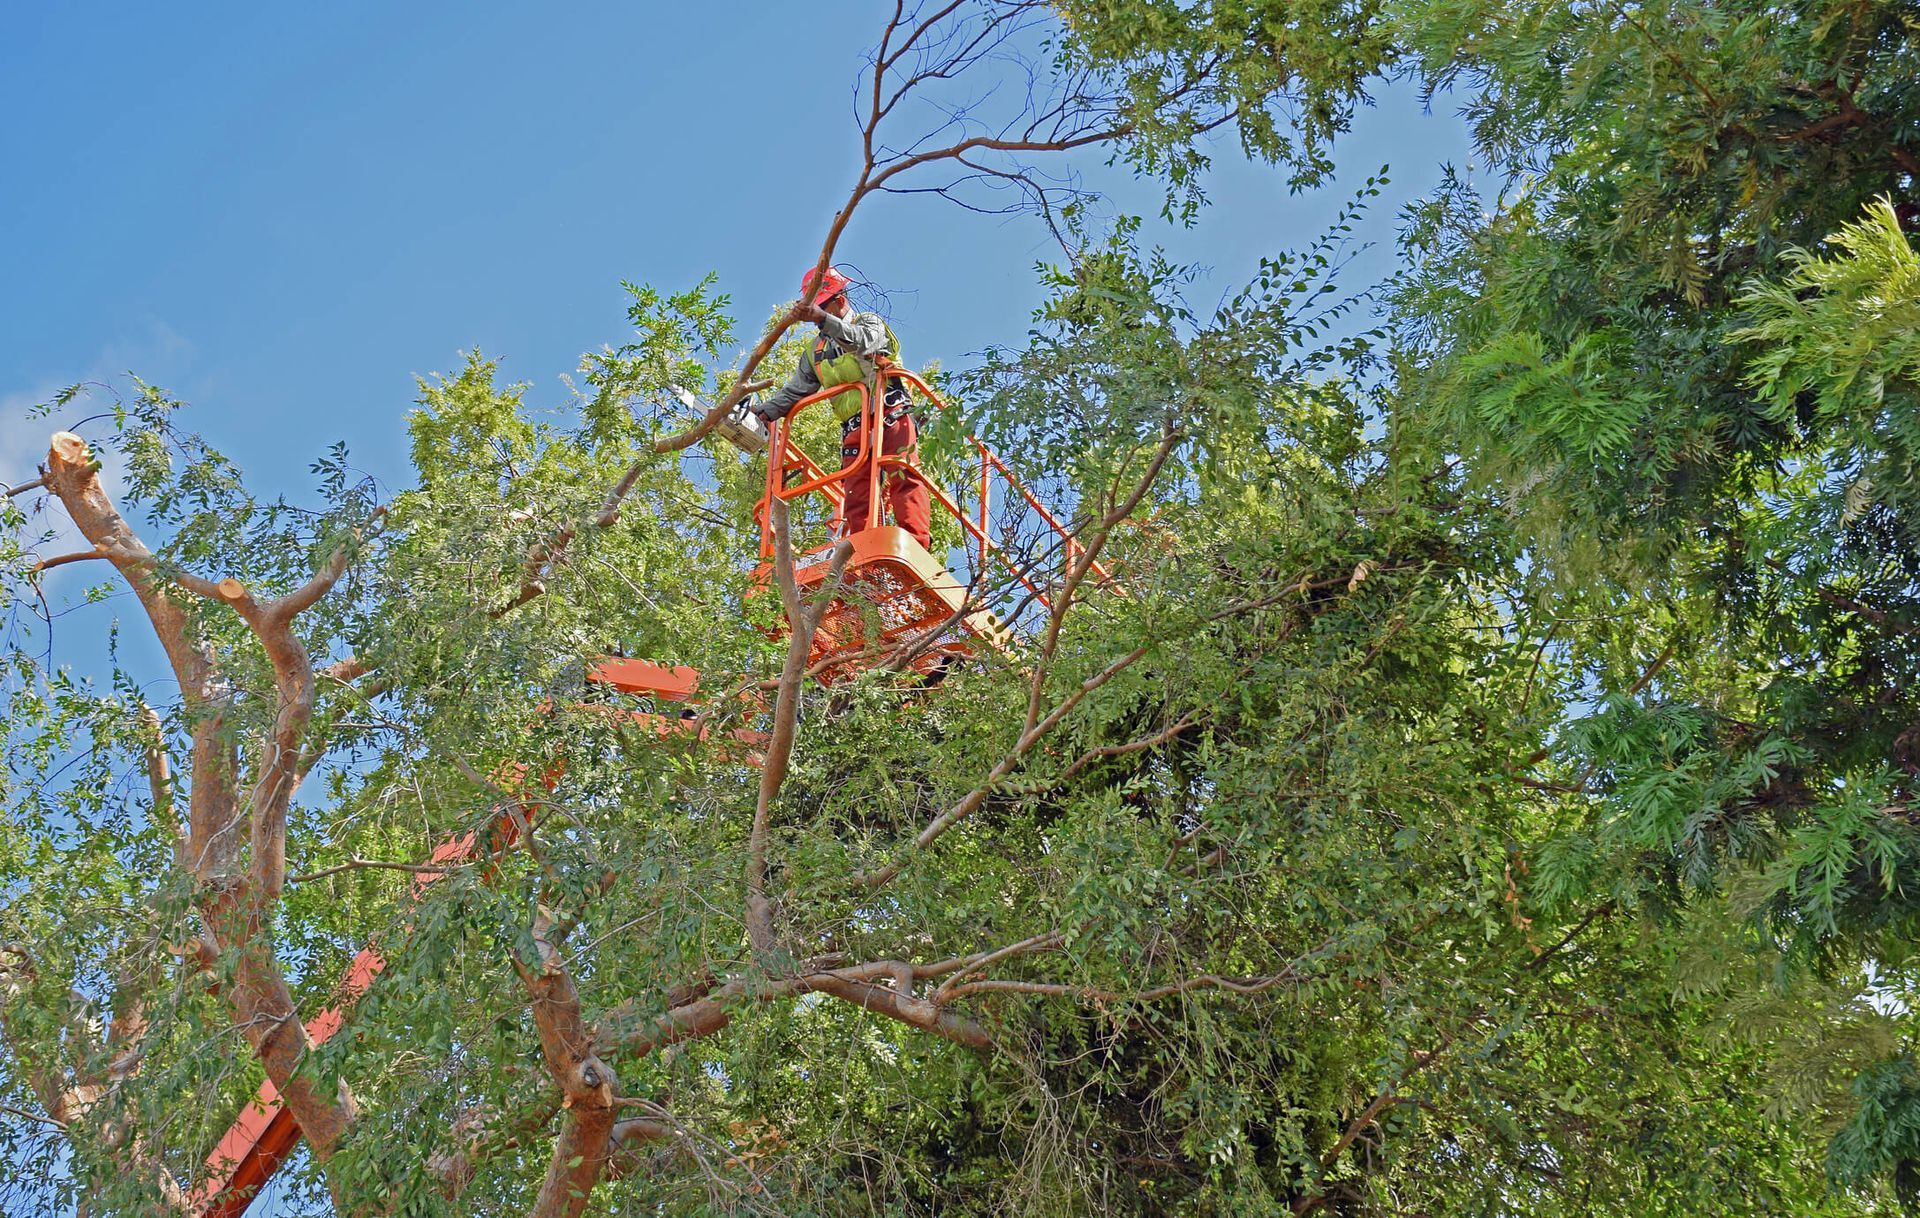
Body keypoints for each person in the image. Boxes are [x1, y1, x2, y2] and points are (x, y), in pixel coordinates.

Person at [749, 265, 932, 550]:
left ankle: (916, 546)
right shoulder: (815, 352)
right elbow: (796, 391)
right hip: (855, 429)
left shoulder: (868, 323)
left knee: (902, 476)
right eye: (815, 309)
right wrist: (762, 412)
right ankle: (860, 553)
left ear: (841, 299)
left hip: (890, 415)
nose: (817, 317)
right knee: (857, 495)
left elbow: (863, 343)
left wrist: (824, 320)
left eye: (823, 306)